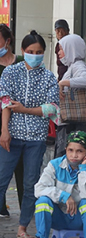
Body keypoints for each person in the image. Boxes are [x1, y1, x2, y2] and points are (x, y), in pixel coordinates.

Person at [0, 30, 59, 238]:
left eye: (39, 51)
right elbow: (6, 102)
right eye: (31, 51)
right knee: (1, 179)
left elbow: (52, 109)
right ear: (23, 51)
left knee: (31, 183)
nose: (35, 55)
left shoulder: (49, 77)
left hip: (36, 139)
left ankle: (22, 228)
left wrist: (25, 109)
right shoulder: (10, 72)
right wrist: (4, 131)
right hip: (12, 136)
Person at [33, 131, 86, 238]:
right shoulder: (54, 165)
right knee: (42, 201)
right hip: (57, 218)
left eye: (80, 151)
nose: (74, 155)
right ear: (65, 150)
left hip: (79, 219)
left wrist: (84, 170)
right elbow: (39, 189)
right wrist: (64, 196)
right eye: (70, 150)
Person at [54, 33, 86, 158]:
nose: (59, 53)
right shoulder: (72, 66)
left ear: (71, 49)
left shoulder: (78, 65)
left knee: (67, 160)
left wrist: (63, 83)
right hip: (69, 122)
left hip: (72, 124)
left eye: (61, 49)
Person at [0, 23, 24, 218]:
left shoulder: (23, 62)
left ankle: (27, 207)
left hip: (23, 120)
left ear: (7, 41)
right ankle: (1, 207)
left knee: (23, 167)